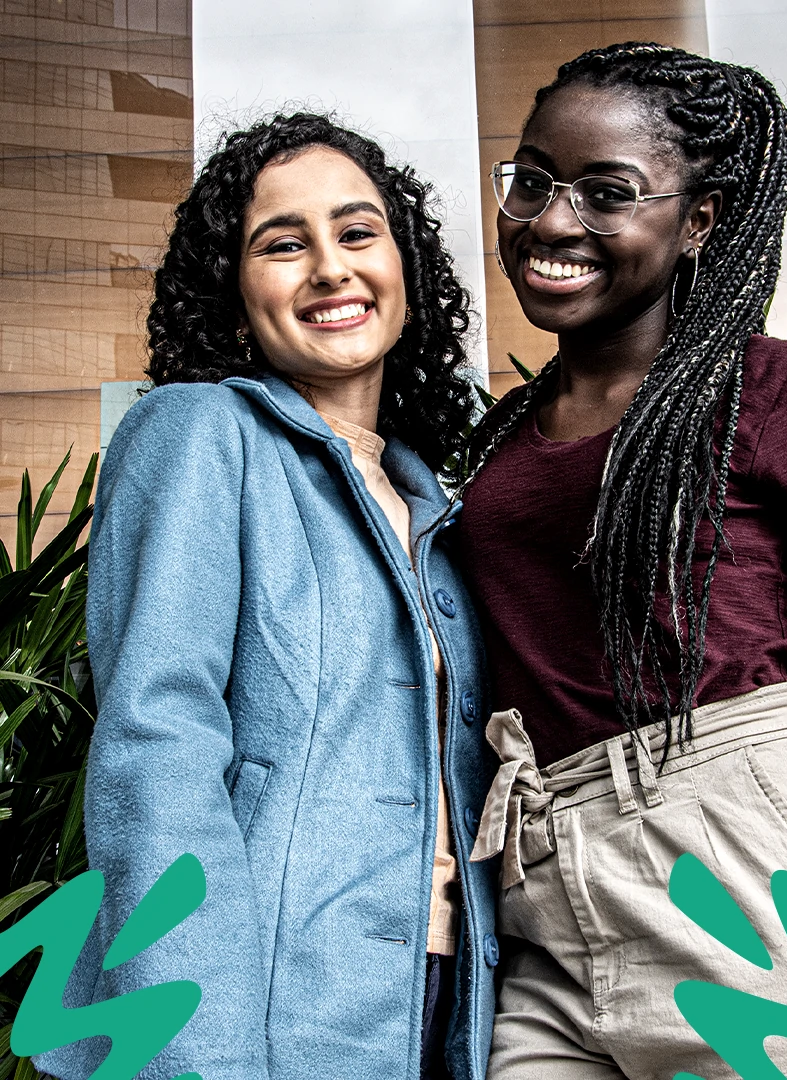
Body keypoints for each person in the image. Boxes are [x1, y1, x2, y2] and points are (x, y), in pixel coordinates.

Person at [458, 42, 787, 1079]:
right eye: (533, 180)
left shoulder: (786, 395)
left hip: (745, 883)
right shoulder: (499, 439)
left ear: (700, 222)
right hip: (547, 904)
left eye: (609, 192)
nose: (551, 221)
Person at [34, 113, 498, 1080]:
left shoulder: (436, 507)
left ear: (404, 263)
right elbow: (157, 754)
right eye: (283, 244)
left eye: (358, 233)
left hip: (444, 1008)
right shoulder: (200, 434)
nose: (331, 268)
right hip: (270, 1009)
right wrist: (196, 1055)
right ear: (234, 290)